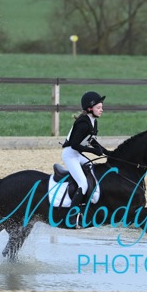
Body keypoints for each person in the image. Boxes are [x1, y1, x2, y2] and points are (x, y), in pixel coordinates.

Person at [61, 91, 110, 225]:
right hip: (70, 155)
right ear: (89, 109)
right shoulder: (83, 123)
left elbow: (91, 140)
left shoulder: (93, 121)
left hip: (77, 154)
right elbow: (75, 145)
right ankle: (71, 216)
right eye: (98, 108)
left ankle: (86, 209)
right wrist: (94, 151)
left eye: (101, 107)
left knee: (92, 171)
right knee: (83, 183)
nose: (101, 110)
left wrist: (107, 152)